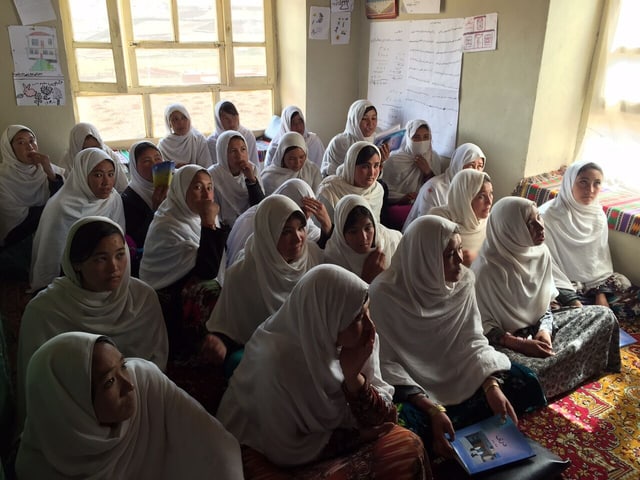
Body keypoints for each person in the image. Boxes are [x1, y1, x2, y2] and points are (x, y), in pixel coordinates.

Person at [216, 265, 429, 478]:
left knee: (405, 445)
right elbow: (282, 450)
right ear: (326, 318)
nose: (370, 326)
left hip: (326, 441)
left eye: (367, 311)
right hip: (263, 450)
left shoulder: (356, 343)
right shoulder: (275, 361)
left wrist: (354, 378)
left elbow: (384, 418)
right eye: (357, 318)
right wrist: (357, 437)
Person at [369, 215, 546, 457]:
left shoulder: (463, 282)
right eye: (449, 254)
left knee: (524, 381)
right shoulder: (384, 294)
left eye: (459, 249)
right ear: (425, 258)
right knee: (406, 430)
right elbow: (385, 363)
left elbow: (471, 340)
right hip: (413, 386)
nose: (460, 260)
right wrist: (432, 409)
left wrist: (490, 385)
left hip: (460, 371)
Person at [16, 332, 243, 480]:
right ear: (72, 406)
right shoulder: (41, 468)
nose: (129, 385)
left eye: (123, 365)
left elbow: (220, 447)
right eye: (110, 382)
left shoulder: (145, 381)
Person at [17, 217, 168, 429]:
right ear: (76, 263)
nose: (114, 268)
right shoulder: (45, 311)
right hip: (69, 415)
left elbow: (155, 362)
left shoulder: (143, 299)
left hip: (134, 403)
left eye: (120, 255)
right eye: (100, 259)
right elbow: (38, 383)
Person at [472, 196, 621, 399]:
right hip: (503, 342)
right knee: (515, 374)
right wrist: (520, 344)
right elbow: (477, 329)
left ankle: (549, 373)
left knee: (604, 316)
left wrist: (545, 330)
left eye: (539, 218)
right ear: (511, 228)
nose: (540, 226)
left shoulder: (540, 252)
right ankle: (548, 376)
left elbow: (545, 306)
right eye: (530, 223)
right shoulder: (487, 269)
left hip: (539, 329)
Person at [203, 195, 324, 366]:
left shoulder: (314, 256)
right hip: (265, 353)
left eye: (301, 228)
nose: (298, 238)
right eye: (286, 231)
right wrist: (220, 343)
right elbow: (228, 327)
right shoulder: (242, 274)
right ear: (268, 234)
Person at [140, 165, 228, 361]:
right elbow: (207, 270)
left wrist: (208, 223)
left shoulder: (196, 218)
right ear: (181, 190)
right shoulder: (167, 224)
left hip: (192, 285)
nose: (206, 194)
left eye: (210, 187)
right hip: (169, 298)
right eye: (197, 187)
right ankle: (197, 348)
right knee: (210, 290)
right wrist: (208, 223)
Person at [539, 161, 640, 321]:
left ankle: (590, 309)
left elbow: (599, 262)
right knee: (548, 306)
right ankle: (581, 310)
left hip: (593, 285)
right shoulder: (547, 217)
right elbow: (545, 265)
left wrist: (601, 294)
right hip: (560, 283)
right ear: (569, 182)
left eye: (597, 183)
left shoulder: (597, 214)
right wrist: (573, 300)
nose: (590, 190)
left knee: (627, 288)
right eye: (583, 182)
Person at [30, 147, 125, 292]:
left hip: (108, 263)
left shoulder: (113, 198)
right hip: (70, 270)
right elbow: (51, 254)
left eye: (111, 174)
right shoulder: (60, 207)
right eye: (98, 175)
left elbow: (119, 233)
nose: (107, 182)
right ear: (82, 175)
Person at [0, 125, 64, 278]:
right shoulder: (3, 178)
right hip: (20, 236)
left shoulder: (46, 168)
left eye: (32, 140)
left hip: (48, 229)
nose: (29, 146)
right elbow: (13, 221)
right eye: (21, 142)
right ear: (9, 149)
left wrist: (49, 171)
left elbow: (64, 200)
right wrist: (50, 211)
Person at [225, 178, 332, 268]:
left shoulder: (303, 221)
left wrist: (327, 226)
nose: (307, 216)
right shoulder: (252, 222)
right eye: (302, 210)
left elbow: (318, 252)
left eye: (311, 210)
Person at [403, 142, 485, 231]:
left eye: (480, 166)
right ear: (458, 165)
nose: (476, 172)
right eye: (471, 166)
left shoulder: (476, 191)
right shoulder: (434, 189)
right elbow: (426, 228)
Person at [381, 119, 444, 230]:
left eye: (426, 137)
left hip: (424, 204)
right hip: (399, 206)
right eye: (416, 137)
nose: (421, 142)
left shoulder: (434, 158)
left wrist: (428, 172)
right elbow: (384, 191)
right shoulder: (394, 160)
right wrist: (402, 198)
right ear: (408, 138)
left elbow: (438, 190)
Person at [324, 194, 401, 283]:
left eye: (368, 228)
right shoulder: (333, 258)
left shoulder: (393, 241)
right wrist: (367, 279)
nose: (363, 238)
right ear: (341, 233)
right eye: (353, 232)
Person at [121, 141, 168, 275]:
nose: (155, 164)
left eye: (158, 158)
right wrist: (155, 210)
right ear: (135, 167)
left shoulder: (171, 187)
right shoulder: (128, 198)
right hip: (148, 262)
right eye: (147, 161)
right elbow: (137, 240)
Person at [430, 169, 493, 267]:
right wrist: (453, 261)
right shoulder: (438, 220)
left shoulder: (489, 222)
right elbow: (428, 260)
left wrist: (478, 259)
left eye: (490, 194)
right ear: (464, 197)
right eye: (481, 196)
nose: (489, 201)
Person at [208, 130, 265, 227]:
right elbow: (213, 213)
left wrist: (251, 179)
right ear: (223, 153)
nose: (239, 156)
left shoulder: (252, 169)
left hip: (251, 224)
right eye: (233, 151)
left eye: (243, 149)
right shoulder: (213, 175)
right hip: (226, 229)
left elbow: (260, 206)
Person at [317, 141, 385, 222]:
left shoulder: (377, 190)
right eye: (365, 167)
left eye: (376, 166)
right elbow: (320, 229)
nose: (372, 172)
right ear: (351, 166)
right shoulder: (329, 190)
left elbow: (375, 226)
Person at [321, 99, 390, 177]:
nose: (370, 124)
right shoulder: (341, 142)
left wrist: (380, 162)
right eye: (364, 119)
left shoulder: (378, 139)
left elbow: (374, 176)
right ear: (354, 120)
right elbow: (334, 173)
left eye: (373, 118)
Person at [60, 122, 129, 192]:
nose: (93, 154)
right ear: (77, 149)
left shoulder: (109, 155)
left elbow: (122, 187)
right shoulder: (68, 163)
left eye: (96, 149)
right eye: (86, 150)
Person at [264, 105, 325, 169]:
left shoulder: (313, 141)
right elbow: (270, 173)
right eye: (293, 123)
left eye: (300, 121)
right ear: (286, 125)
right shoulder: (275, 147)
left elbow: (322, 169)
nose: (298, 127)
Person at [158, 103, 212, 168]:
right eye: (175, 119)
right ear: (169, 123)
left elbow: (206, 167)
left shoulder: (198, 139)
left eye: (184, 118)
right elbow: (161, 172)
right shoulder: (163, 146)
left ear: (189, 119)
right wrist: (175, 169)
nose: (181, 123)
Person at [207, 100, 258, 167]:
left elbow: (254, 164)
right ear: (218, 121)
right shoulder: (212, 141)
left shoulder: (247, 135)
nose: (231, 122)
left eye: (234, 117)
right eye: (226, 118)